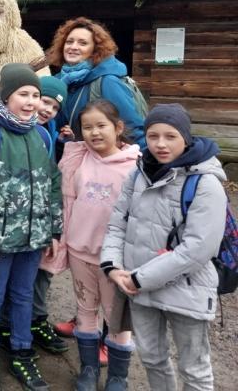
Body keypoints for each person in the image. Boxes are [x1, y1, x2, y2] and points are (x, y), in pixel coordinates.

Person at [101, 104, 226, 391]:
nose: (160, 144)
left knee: (194, 370)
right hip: (137, 287)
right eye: (153, 136)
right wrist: (112, 267)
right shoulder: (138, 174)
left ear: (186, 137)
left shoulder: (205, 183)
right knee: (152, 359)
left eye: (170, 136)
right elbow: (117, 224)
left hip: (185, 288)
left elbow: (198, 248)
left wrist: (139, 279)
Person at [0, 64, 62, 391]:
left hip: (33, 239)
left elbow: (52, 184)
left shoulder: (43, 136)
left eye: (36, 95)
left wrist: (53, 231)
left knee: (23, 295)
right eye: (23, 94)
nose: (31, 101)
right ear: (6, 97)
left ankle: (22, 350)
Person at [57, 100, 140, 390]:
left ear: (118, 128)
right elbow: (67, 200)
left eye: (101, 126)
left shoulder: (135, 166)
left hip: (115, 260)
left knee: (116, 317)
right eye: (87, 127)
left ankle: (118, 376)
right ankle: (88, 369)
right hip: (80, 250)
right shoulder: (79, 158)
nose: (94, 133)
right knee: (85, 310)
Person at [47, 17, 145, 149]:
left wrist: (143, 158)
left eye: (83, 43)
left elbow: (132, 128)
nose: (73, 47)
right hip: (70, 157)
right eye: (69, 42)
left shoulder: (107, 81)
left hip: (102, 158)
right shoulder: (59, 82)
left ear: (95, 49)